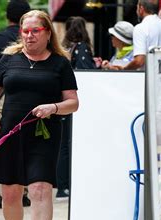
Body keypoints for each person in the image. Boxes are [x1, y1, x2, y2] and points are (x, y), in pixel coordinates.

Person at [0, 10, 79, 220]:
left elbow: (73, 103)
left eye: (35, 31)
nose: (29, 36)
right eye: (25, 31)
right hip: (11, 132)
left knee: (39, 189)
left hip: (44, 133)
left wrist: (53, 108)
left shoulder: (59, 63)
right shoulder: (9, 60)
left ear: (47, 33)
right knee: (10, 192)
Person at [0, 0, 31, 210]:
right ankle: (26, 189)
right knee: (29, 144)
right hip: (34, 99)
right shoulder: (33, 36)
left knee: (6, 146)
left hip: (7, 100)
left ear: (6, 17)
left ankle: (11, 190)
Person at [55, 17, 95, 200]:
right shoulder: (82, 48)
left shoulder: (64, 50)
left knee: (63, 145)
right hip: (76, 102)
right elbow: (86, 74)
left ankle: (62, 186)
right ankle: (68, 185)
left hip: (62, 102)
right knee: (74, 144)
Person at [116, 0, 161, 70]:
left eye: (137, 8)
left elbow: (139, 61)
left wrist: (123, 68)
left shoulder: (140, 28)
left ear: (141, 9)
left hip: (147, 77)